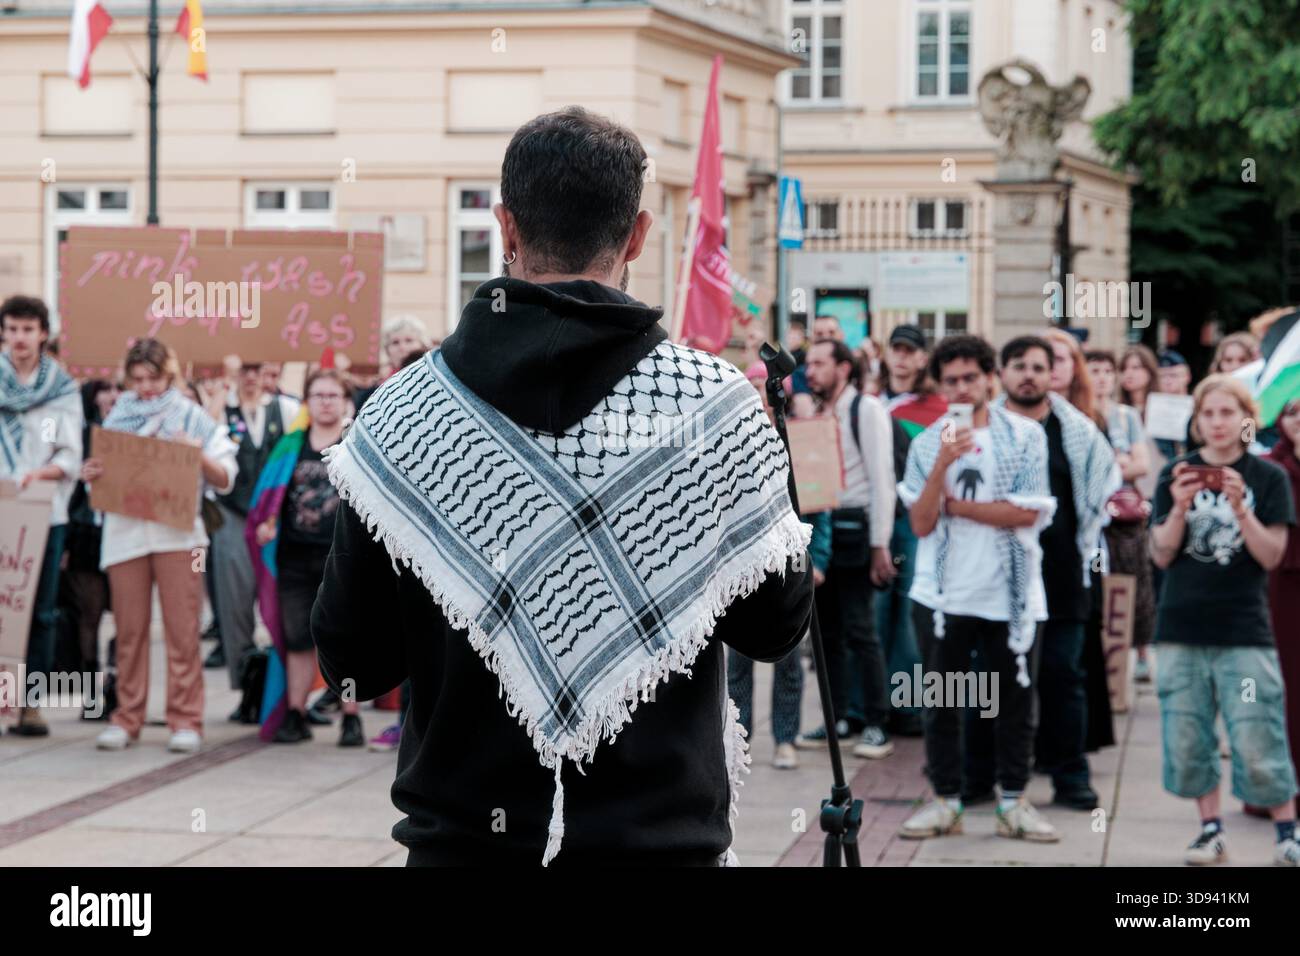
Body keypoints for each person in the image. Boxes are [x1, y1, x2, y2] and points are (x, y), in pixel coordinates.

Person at [311, 106, 814, 866]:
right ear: (638, 236)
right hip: (658, 846)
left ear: (504, 227)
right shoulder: (715, 406)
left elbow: (354, 661)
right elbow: (775, 630)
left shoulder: (402, 414)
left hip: (464, 847)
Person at [896, 334, 1059, 843]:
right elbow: (920, 524)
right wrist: (942, 466)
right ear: (940, 386)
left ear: (990, 377)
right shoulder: (927, 444)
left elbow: (1028, 511)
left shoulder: (1026, 435)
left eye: (971, 378)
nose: (962, 389)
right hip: (942, 594)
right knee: (941, 704)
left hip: (1009, 594)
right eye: (951, 382)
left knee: (1013, 703)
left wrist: (959, 507)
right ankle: (947, 799)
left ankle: (1013, 800)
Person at [1150, 375, 1298, 865]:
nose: (1217, 423)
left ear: (1245, 420)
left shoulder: (1267, 478)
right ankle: (1209, 829)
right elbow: (1163, 554)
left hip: (1244, 630)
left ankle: (1286, 833)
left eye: (1227, 413)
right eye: (1208, 414)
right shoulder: (1175, 474)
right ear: (1196, 420)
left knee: (1258, 730)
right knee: (1189, 734)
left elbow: (1273, 554)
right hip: (1182, 627)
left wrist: (1239, 508)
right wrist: (1179, 507)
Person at [84, 339, 238, 753]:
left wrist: (197, 457)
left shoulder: (192, 417)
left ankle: (185, 718)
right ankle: (127, 717)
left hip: (180, 536)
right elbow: (103, 477)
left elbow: (226, 477)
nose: (146, 386)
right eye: (137, 378)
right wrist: (93, 473)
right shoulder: (116, 419)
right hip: (125, 536)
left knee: (183, 629)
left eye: (153, 377)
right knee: (128, 631)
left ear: (168, 375)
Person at [988, 336, 1117, 811]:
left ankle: (1070, 776)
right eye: (1018, 365)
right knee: (994, 681)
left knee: (1064, 675)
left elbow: (1102, 486)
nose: (1028, 374)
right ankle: (985, 776)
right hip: (997, 578)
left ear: (1052, 373)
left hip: (1063, 577)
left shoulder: (1076, 431)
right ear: (1001, 372)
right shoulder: (986, 428)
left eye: (1038, 367)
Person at [248, 369, 363, 747]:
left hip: (342, 559)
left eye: (333, 395)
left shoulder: (357, 443)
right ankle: (296, 713)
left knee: (345, 639)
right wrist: (267, 526)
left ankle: (351, 717)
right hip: (294, 558)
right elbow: (270, 498)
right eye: (318, 395)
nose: (326, 401)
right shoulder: (289, 446)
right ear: (307, 401)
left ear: (346, 401)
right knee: (296, 638)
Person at [726, 362, 830, 771]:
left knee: (787, 659)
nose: (757, 394)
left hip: (789, 559)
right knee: (738, 663)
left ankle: (786, 737)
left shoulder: (802, 439)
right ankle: (741, 738)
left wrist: (816, 559)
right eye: (750, 386)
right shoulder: (731, 436)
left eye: (762, 387)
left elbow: (820, 507)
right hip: (743, 565)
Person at [797, 338, 897, 759]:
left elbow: (882, 479)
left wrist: (880, 544)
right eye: (810, 363)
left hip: (856, 525)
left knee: (861, 630)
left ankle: (877, 721)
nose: (811, 371)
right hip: (822, 525)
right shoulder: (820, 412)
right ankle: (839, 717)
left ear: (843, 368)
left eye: (820, 363)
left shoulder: (866, 408)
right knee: (828, 634)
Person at [0, 295, 83, 737]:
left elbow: (70, 453)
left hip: (42, 512)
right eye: (12, 329)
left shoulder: (61, 389)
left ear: (43, 334)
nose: (19, 338)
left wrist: (40, 473)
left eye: (28, 330)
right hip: (0, 508)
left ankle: (30, 704)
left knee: (39, 610)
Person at [207, 361, 298, 709]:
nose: (250, 377)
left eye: (256, 369)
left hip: (273, 519)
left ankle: (282, 689)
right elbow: (202, 432)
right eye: (244, 369)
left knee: (280, 604)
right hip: (232, 514)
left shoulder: (284, 409)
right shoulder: (223, 410)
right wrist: (220, 394)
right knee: (234, 604)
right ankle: (245, 685)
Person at [877, 323, 948, 737]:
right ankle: (871, 705)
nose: (902, 357)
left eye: (910, 350)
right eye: (896, 349)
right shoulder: (870, 403)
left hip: (912, 519)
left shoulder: (936, 409)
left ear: (923, 358)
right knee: (873, 615)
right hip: (874, 519)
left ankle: (908, 705)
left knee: (906, 612)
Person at [1086, 349, 1156, 682]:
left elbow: (1141, 464)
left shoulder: (1126, 416)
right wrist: (1117, 460)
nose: (1101, 377)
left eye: (1106, 371)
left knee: (1135, 581)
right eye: (1094, 370)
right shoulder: (1078, 413)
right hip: (1091, 513)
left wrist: (1111, 463)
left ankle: (1140, 653)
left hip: (1123, 516)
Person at [1267, 398, 1300, 816]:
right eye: (1293, 413)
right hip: (1281, 586)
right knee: (1283, 687)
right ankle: (1277, 793)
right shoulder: (1271, 466)